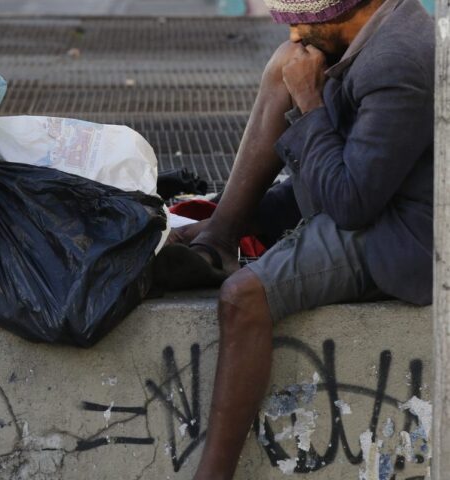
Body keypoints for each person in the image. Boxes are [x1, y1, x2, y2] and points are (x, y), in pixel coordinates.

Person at [155, 0, 435, 478]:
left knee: (242, 297)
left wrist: (309, 102)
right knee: (283, 68)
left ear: (341, 11)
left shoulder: (398, 61)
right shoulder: (372, 31)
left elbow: (350, 204)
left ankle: (213, 474)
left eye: (301, 21)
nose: (295, 35)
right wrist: (229, 215)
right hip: (366, 194)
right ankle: (220, 236)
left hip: (402, 236)